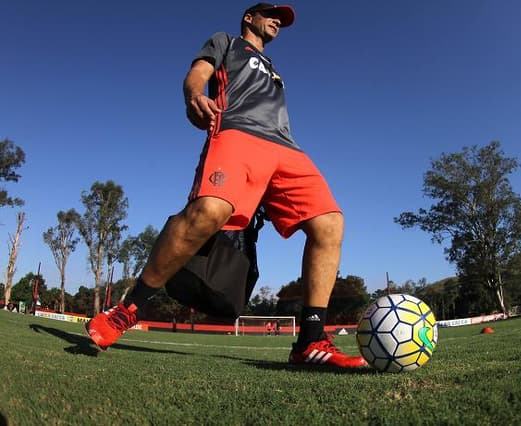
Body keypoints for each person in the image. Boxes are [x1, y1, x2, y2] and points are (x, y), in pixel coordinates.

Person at [85, 3, 366, 369]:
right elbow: (197, 72)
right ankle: (128, 309)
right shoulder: (227, 42)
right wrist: (193, 96)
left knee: (330, 223)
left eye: (282, 19)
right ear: (249, 17)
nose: (277, 21)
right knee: (211, 211)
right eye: (271, 13)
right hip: (237, 134)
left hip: (286, 147)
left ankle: (311, 342)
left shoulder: (275, 70)